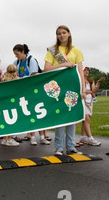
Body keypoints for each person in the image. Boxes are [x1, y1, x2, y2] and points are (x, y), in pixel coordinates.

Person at [43, 25, 86, 156]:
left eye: (63, 33)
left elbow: (80, 71)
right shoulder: (53, 51)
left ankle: (71, 147)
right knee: (61, 117)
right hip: (59, 87)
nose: (61, 35)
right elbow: (46, 68)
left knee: (71, 117)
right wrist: (63, 64)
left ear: (69, 34)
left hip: (73, 86)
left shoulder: (76, 50)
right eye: (58, 33)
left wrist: (83, 88)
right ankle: (59, 147)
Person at [12, 44, 50, 146]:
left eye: (17, 54)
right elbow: (11, 71)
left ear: (23, 51)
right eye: (15, 54)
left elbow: (33, 76)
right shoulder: (17, 62)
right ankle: (33, 137)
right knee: (31, 114)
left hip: (34, 90)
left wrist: (20, 79)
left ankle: (42, 137)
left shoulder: (31, 60)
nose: (16, 56)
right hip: (24, 91)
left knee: (39, 113)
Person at [78, 66, 102, 146]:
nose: (87, 72)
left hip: (89, 102)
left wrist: (98, 83)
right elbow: (82, 90)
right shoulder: (79, 79)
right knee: (86, 118)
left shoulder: (90, 81)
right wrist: (88, 91)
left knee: (85, 120)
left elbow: (94, 91)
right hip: (82, 101)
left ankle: (82, 137)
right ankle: (90, 138)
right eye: (85, 70)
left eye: (88, 70)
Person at [0, 64, 21, 147]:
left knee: (5, 121)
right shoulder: (18, 79)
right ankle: (9, 139)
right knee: (11, 121)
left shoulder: (3, 80)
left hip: (4, 102)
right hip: (13, 103)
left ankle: (4, 139)